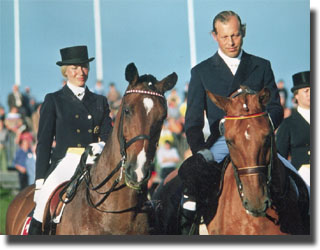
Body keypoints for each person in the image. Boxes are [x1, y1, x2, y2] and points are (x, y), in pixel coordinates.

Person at [180, 10, 284, 234]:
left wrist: (263, 129)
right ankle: (187, 230)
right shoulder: (201, 72)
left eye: (235, 35)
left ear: (242, 33)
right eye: (225, 36)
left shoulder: (261, 65)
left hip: (260, 141)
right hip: (222, 141)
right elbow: (193, 122)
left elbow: (276, 107)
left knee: (301, 184)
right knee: (190, 185)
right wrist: (200, 151)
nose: (231, 42)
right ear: (214, 36)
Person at [28, 45, 113, 234]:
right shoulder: (54, 100)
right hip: (64, 163)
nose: (80, 72)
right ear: (65, 71)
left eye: (84, 67)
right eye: (74, 68)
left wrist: (100, 145)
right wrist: (40, 180)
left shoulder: (99, 101)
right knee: (41, 207)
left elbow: (108, 135)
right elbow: (43, 143)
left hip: (93, 161)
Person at [276, 71, 310, 185]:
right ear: (296, 95)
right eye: (306, 91)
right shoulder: (288, 124)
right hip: (302, 176)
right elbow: (281, 157)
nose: (310, 94)